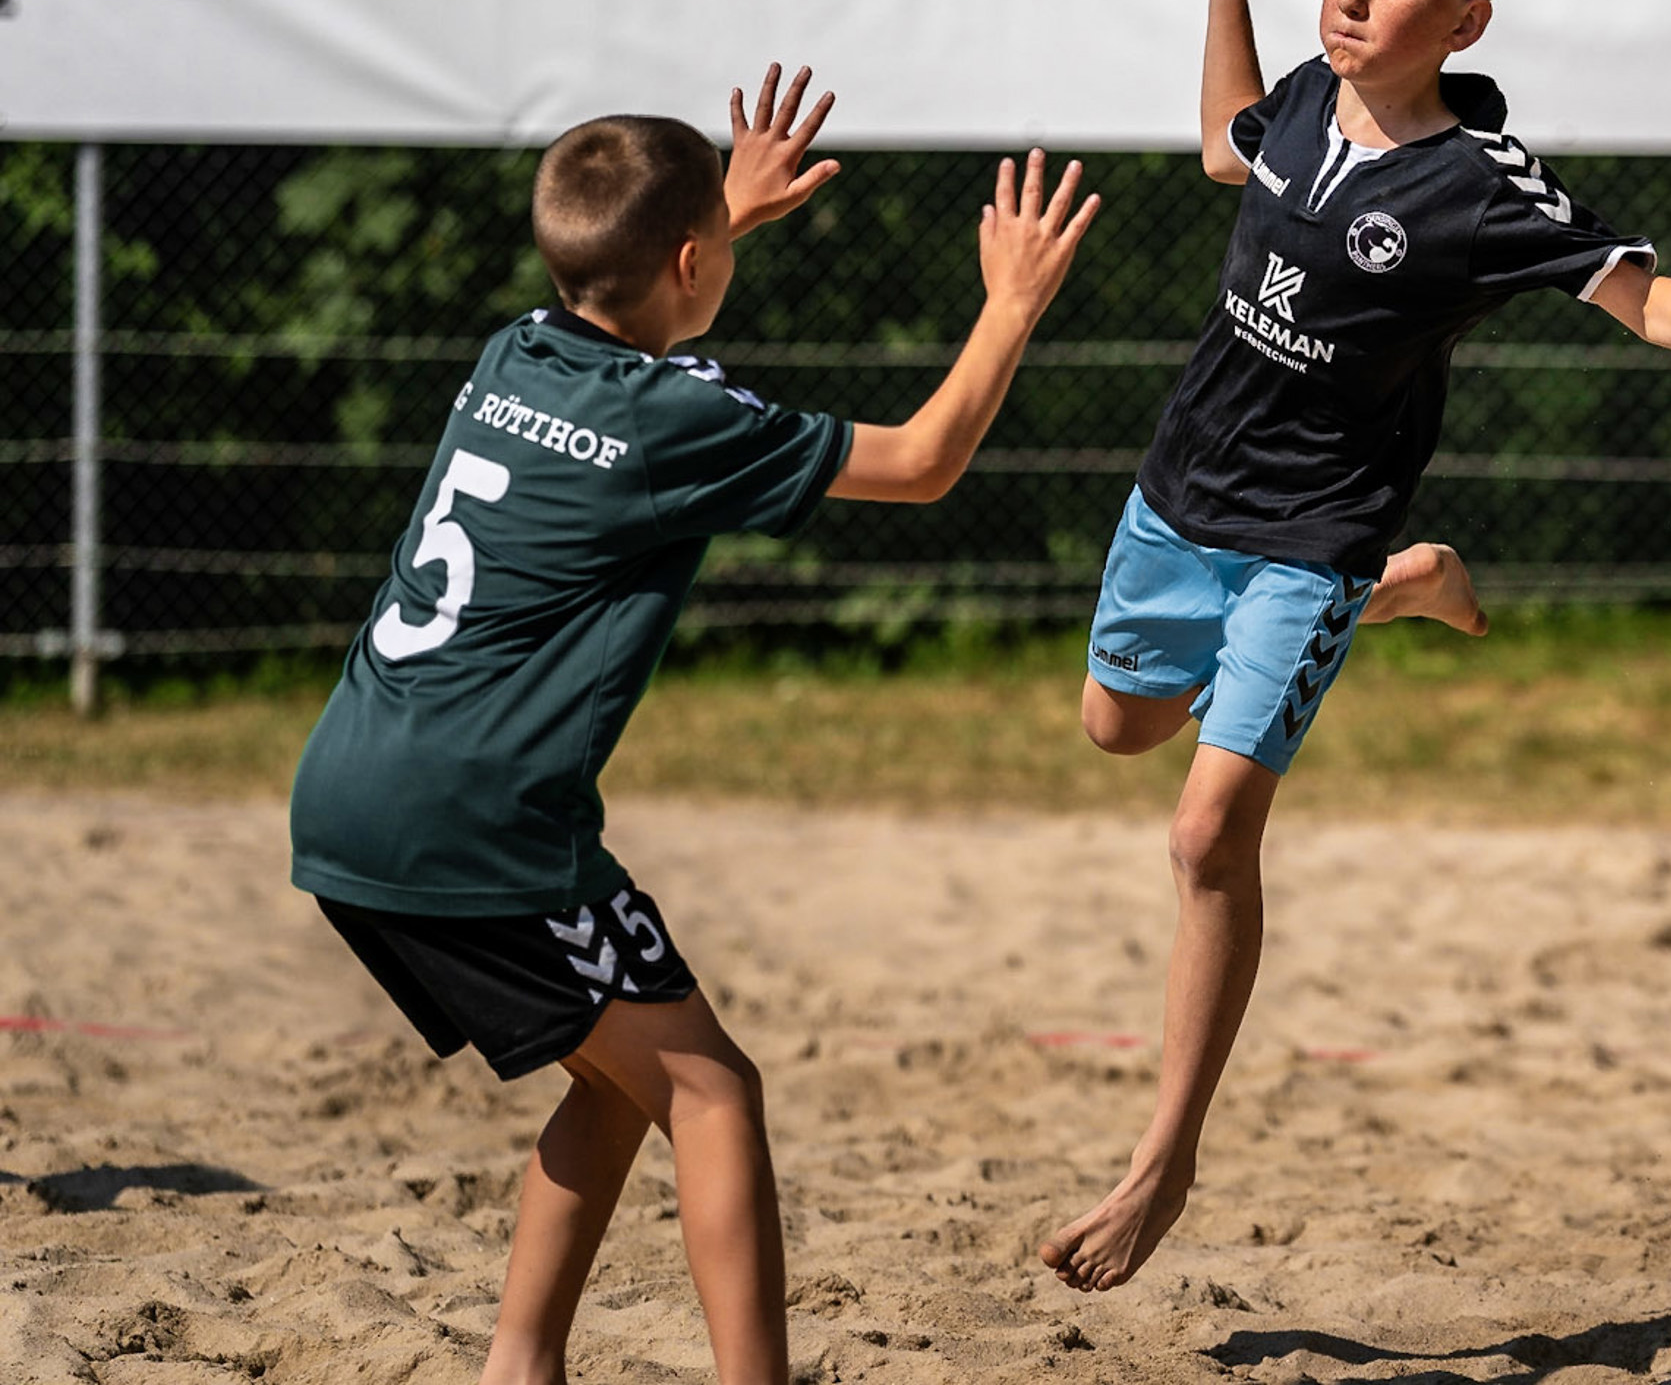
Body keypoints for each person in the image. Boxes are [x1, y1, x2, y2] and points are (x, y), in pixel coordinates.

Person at [1042, 0, 1671, 1293]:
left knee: (1205, 837)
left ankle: (1164, 1161)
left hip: (1316, 526)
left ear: (1465, 20)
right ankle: (1411, 588)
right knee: (1115, 727)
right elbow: (1227, 154)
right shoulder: (1300, 97)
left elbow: (1636, 284)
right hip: (1180, 495)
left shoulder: (1479, 186)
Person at [286, 68, 1098, 1385]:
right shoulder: (668, 422)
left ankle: (520, 1363)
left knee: (616, 1083)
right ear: (685, 259)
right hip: (478, 826)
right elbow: (925, 460)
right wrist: (1009, 307)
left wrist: (725, 212)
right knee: (716, 1093)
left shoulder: (515, 351)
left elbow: (639, 293)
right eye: (712, 241)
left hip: (350, 785)